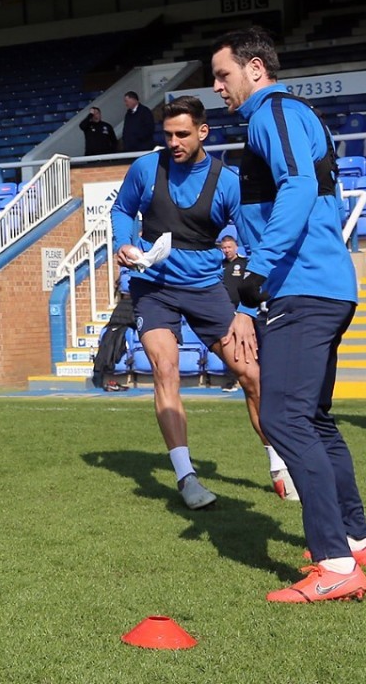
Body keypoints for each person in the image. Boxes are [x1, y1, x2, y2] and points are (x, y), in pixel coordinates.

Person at [212, 26, 366, 602]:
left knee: (282, 419)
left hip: (302, 289)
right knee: (315, 420)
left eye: (223, 75)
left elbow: (298, 186)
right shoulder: (289, 116)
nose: (218, 87)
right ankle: (355, 542)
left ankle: (334, 562)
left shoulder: (271, 113)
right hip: (323, 287)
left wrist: (255, 273)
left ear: (255, 69)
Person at [110, 94, 295, 510]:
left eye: (182, 134)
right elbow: (122, 210)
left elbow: (254, 244)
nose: (173, 142)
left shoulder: (227, 182)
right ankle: (186, 477)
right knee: (165, 370)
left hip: (207, 289)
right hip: (153, 287)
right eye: (168, 134)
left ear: (203, 132)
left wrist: (245, 309)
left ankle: (279, 464)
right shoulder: (145, 168)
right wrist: (124, 242)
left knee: (251, 374)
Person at [218, 234, 249, 392]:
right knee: (229, 344)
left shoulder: (244, 264)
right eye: (224, 248)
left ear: (236, 247)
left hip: (242, 310)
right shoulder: (219, 265)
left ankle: (251, 378)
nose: (227, 250)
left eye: (229, 247)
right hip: (225, 309)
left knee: (247, 343)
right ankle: (231, 381)